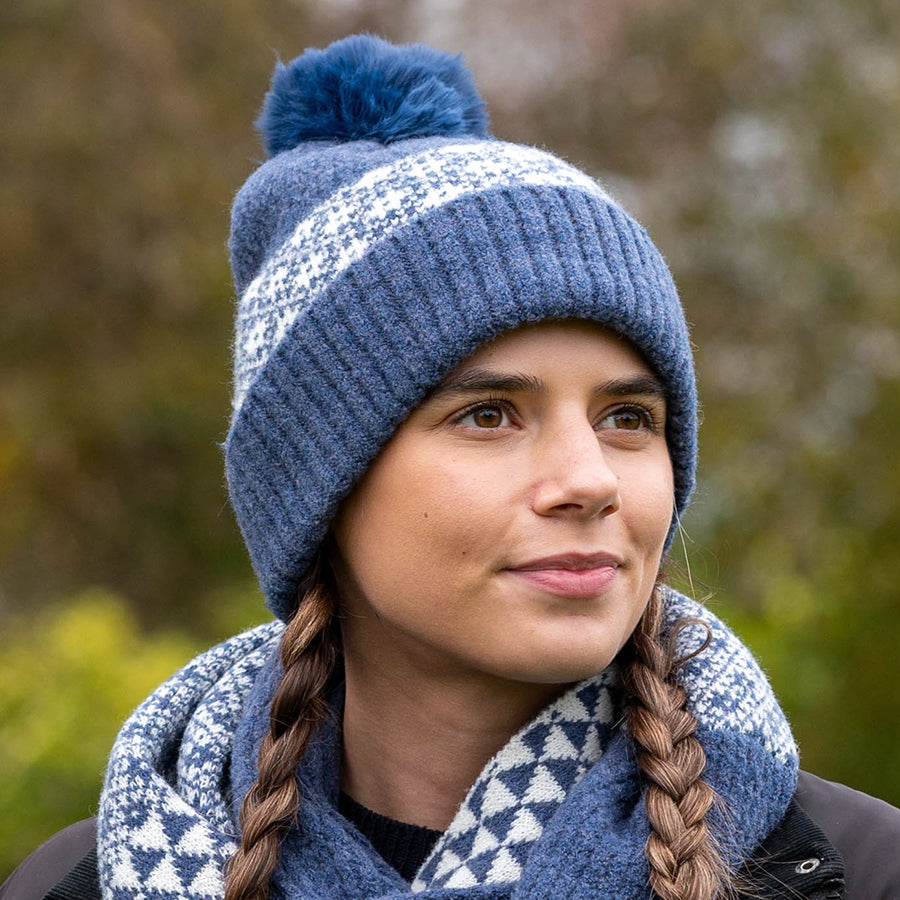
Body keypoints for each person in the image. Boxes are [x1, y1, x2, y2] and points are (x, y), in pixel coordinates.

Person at [3, 33, 899, 900]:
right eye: (488, 415)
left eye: (628, 418)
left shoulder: (861, 873)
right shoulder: (88, 882)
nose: (590, 480)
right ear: (321, 485)